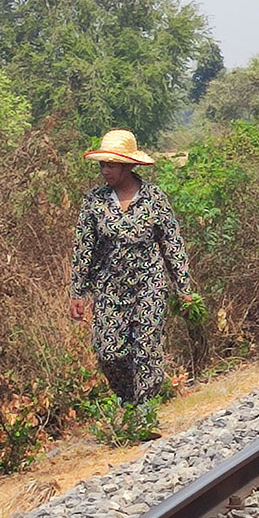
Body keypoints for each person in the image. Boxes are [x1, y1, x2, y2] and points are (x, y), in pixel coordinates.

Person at [69, 129, 196, 403]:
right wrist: (78, 294)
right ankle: (128, 402)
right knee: (109, 353)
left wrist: (183, 288)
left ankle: (144, 409)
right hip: (109, 290)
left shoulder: (154, 198)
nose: (105, 170)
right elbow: (83, 248)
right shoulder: (94, 201)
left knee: (146, 349)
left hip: (149, 285)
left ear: (128, 166)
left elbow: (172, 244)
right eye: (102, 165)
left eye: (111, 165)